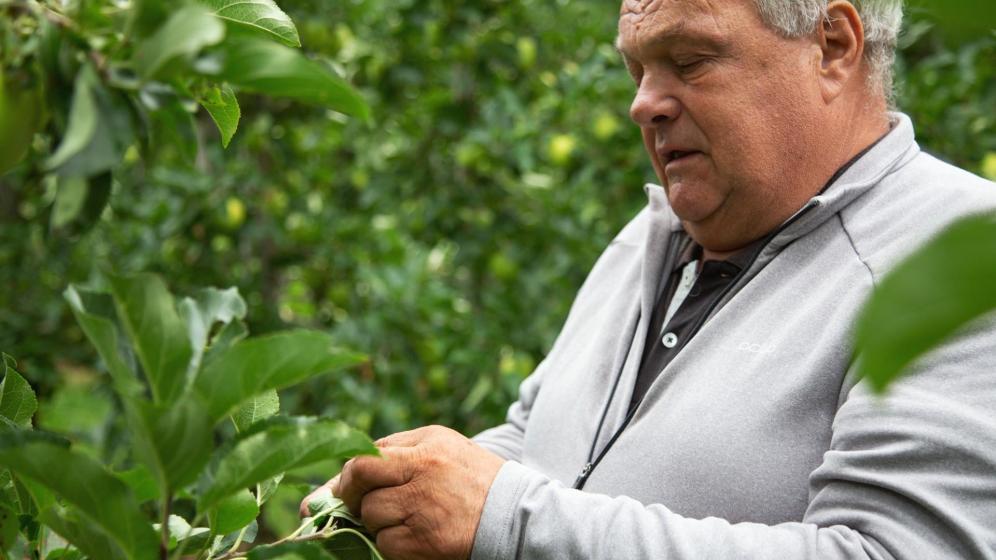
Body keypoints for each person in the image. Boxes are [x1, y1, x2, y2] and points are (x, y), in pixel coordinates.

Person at [303, 1, 996, 558]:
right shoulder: (657, 235)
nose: (644, 104)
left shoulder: (957, 261)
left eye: (689, 61)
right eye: (638, 69)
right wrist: (390, 501)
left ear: (834, 46)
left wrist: (506, 522)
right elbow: (541, 443)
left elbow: (892, 550)